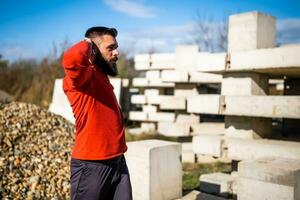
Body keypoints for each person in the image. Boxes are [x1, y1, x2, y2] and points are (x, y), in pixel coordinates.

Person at [62, 26, 132, 200]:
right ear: (93, 51)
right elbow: (71, 59)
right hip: (91, 165)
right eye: (110, 48)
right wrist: (88, 43)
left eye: (116, 47)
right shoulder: (82, 78)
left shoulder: (101, 74)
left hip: (118, 162)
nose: (116, 53)